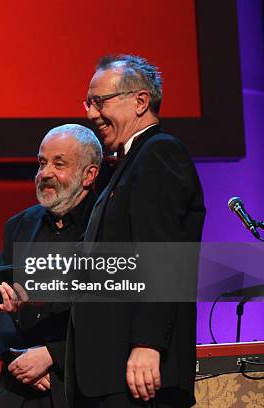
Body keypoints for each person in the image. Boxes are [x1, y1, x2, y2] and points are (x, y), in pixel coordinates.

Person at [66, 55, 205, 407]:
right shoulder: (127, 166)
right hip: (110, 376)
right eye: (89, 103)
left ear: (141, 101)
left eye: (100, 102)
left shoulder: (159, 154)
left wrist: (148, 343)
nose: (91, 114)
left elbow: (164, 256)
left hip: (137, 374)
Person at [0, 125, 101, 408]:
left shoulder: (106, 227)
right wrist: (16, 355)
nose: (45, 173)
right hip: (21, 388)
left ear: (89, 174)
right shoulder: (19, 225)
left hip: (81, 385)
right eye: (41, 163)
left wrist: (54, 354)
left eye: (59, 164)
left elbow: (109, 312)